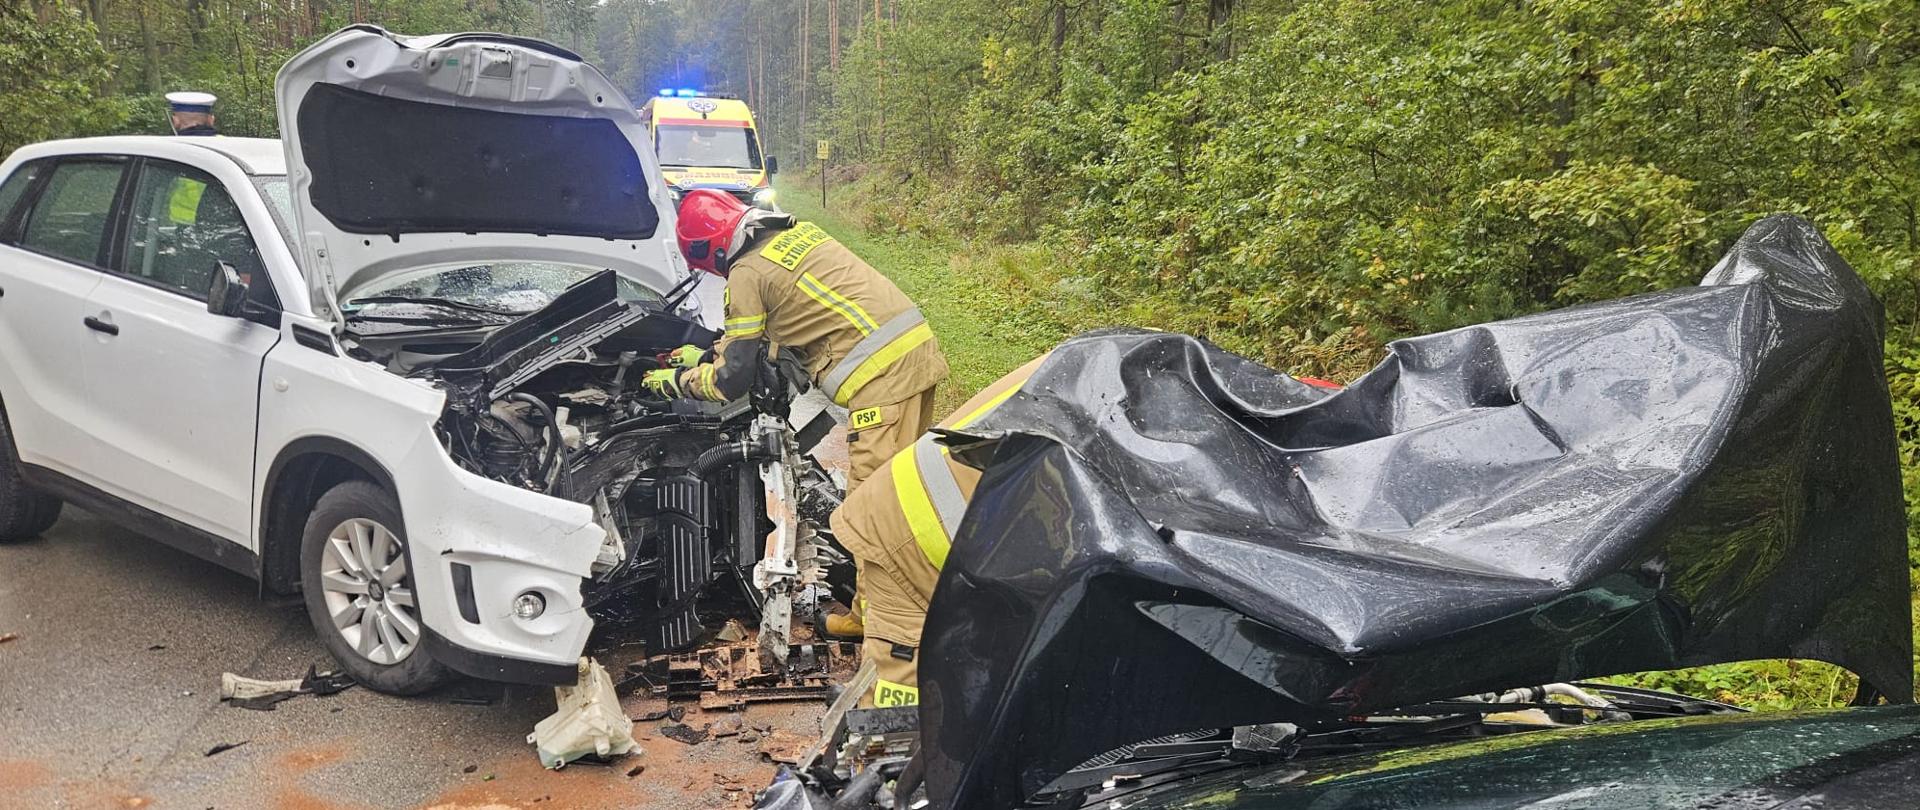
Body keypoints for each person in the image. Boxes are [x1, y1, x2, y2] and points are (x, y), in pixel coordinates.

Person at [642, 190, 950, 637]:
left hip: (882, 382)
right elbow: (791, 318)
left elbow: (731, 381)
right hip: (913, 355)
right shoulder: (795, 234)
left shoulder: (745, 273)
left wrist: (677, 381)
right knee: (905, 492)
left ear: (706, 250)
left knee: (871, 509)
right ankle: (926, 590)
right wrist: (703, 352)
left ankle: (872, 621)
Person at [828, 355, 1045, 707]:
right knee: (895, 715)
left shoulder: (1132, 363)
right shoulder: (1145, 389)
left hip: (935, 511)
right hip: (907, 530)